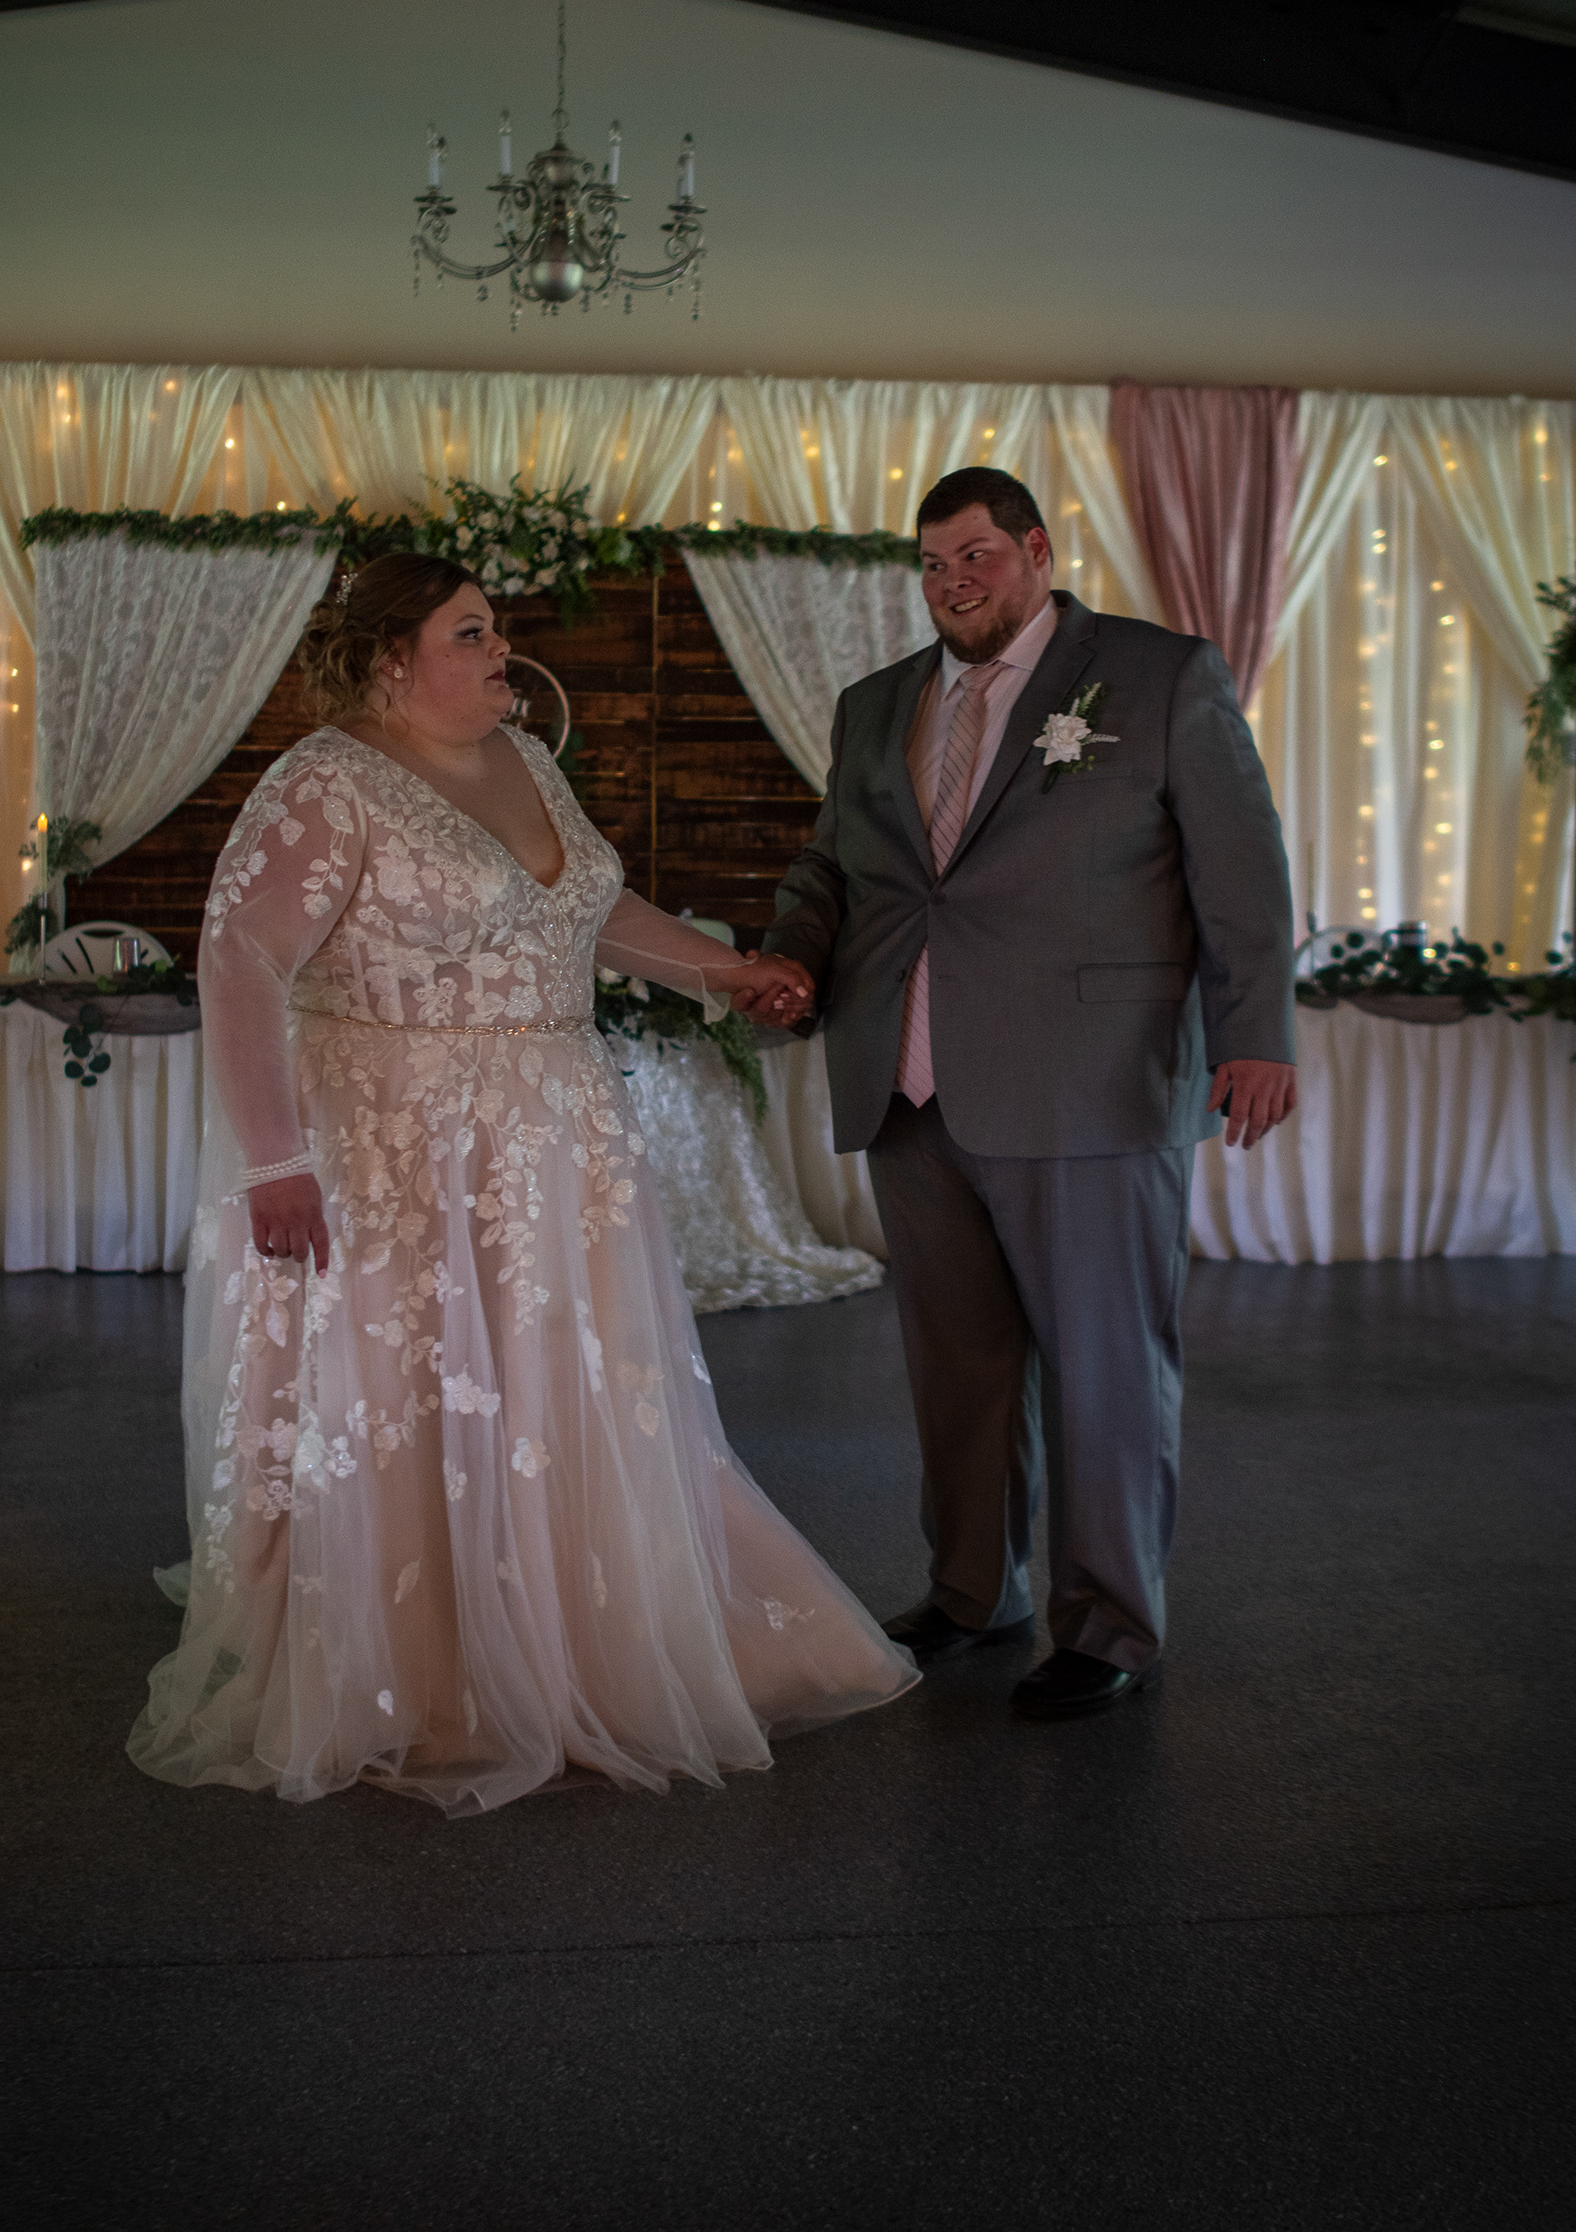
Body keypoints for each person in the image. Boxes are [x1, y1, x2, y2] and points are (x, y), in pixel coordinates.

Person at [128, 553, 916, 1809]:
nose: (503, 651)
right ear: (393, 660)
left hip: (553, 1138)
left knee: (562, 1376)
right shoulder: (326, 781)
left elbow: (588, 913)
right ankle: (428, 1665)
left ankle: (581, 1631)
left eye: (494, 630)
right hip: (401, 1140)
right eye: (473, 633)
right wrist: (275, 1156)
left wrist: (724, 971)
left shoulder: (527, 761)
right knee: (421, 1388)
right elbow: (239, 959)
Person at [756, 467, 1296, 1721]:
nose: (953, 582)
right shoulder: (874, 703)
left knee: (1107, 1369)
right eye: (933, 565)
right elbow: (833, 865)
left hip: (1091, 1082)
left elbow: (1243, 868)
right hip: (912, 1087)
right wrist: (792, 953)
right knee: (959, 1371)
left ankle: (1108, 1626)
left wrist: (1256, 1033)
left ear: (1037, 552)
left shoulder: (1160, 676)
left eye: (976, 555)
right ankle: (970, 1592)